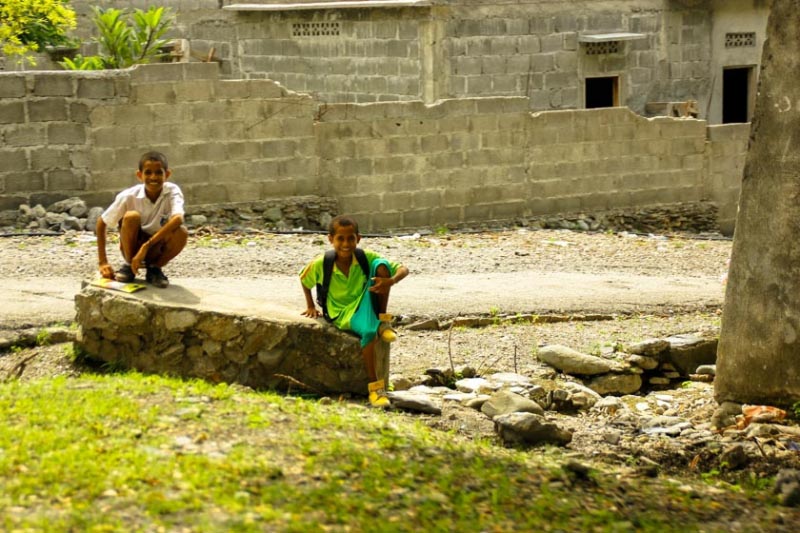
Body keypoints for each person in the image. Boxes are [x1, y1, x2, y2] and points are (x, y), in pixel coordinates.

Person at [299, 215, 409, 407]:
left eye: (350, 238)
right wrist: (310, 306)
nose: (346, 244)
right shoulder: (322, 263)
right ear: (331, 239)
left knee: (381, 266)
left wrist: (390, 281)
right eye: (340, 238)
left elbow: (403, 269)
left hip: (363, 302)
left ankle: (382, 322)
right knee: (367, 332)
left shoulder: (363, 257)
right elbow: (304, 279)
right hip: (341, 313)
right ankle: (375, 389)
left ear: (358, 239)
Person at [96, 151, 188, 288]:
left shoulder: (172, 191)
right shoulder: (128, 196)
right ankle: (128, 266)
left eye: (158, 173)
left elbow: (178, 218)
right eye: (148, 172)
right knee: (131, 217)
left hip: (156, 246)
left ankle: (154, 269)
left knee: (181, 232)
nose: (153, 177)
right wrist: (103, 262)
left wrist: (147, 245)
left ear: (167, 175)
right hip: (132, 246)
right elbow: (102, 223)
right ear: (139, 175)